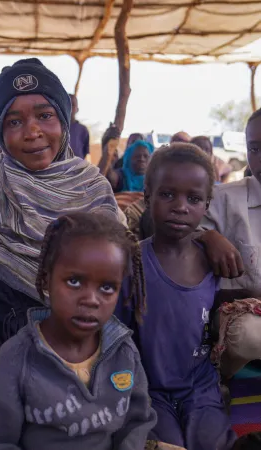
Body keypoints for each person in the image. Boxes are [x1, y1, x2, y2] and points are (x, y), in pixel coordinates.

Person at [0, 58, 119, 450]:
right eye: (14, 121)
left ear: (64, 122)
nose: (33, 132)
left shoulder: (94, 190)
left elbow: (111, 295)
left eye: (45, 115)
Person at [0, 212, 156, 450]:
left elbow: (136, 422)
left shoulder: (123, 352)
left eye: (107, 287)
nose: (91, 300)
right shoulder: (18, 359)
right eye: (74, 282)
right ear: (47, 279)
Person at [116, 144, 237, 450]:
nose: (180, 206)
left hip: (200, 387)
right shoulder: (132, 263)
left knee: (215, 443)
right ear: (147, 197)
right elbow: (116, 335)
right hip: (149, 390)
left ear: (206, 206)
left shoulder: (212, 261)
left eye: (193, 198)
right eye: (167, 194)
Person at [200, 108, 261, 378]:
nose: (260, 160)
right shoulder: (224, 199)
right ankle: (219, 380)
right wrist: (205, 235)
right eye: (254, 148)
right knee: (245, 335)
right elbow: (172, 230)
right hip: (244, 315)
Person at [69, 94, 90, 159]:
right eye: (67, 104)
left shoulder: (83, 130)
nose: (70, 107)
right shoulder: (56, 128)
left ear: (77, 109)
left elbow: (86, 153)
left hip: (77, 166)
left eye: (73, 105)